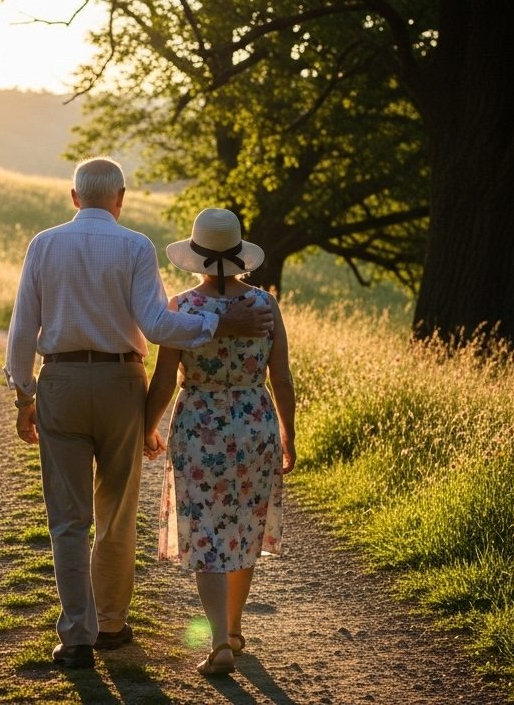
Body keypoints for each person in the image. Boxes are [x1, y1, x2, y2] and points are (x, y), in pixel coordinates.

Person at [5, 158, 275, 669]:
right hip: (121, 382)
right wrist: (220, 320)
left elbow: (22, 330)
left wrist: (24, 396)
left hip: (59, 380)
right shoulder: (135, 246)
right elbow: (156, 325)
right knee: (116, 513)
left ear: (74, 196)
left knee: (67, 519)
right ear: (121, 198)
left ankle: (77, 636)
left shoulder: (43, 244)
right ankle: (111, 623)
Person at [142, 207, 296, 676]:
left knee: (207, 530)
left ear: (196, 256)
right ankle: (233, 628)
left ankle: (217, 642)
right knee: (244, 526)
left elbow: (165, 378)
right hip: (255, 422)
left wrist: (147, 426)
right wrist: (290, 436)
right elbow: (282, 377)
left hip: (198, 424)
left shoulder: (181, 308)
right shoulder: (265, 305)